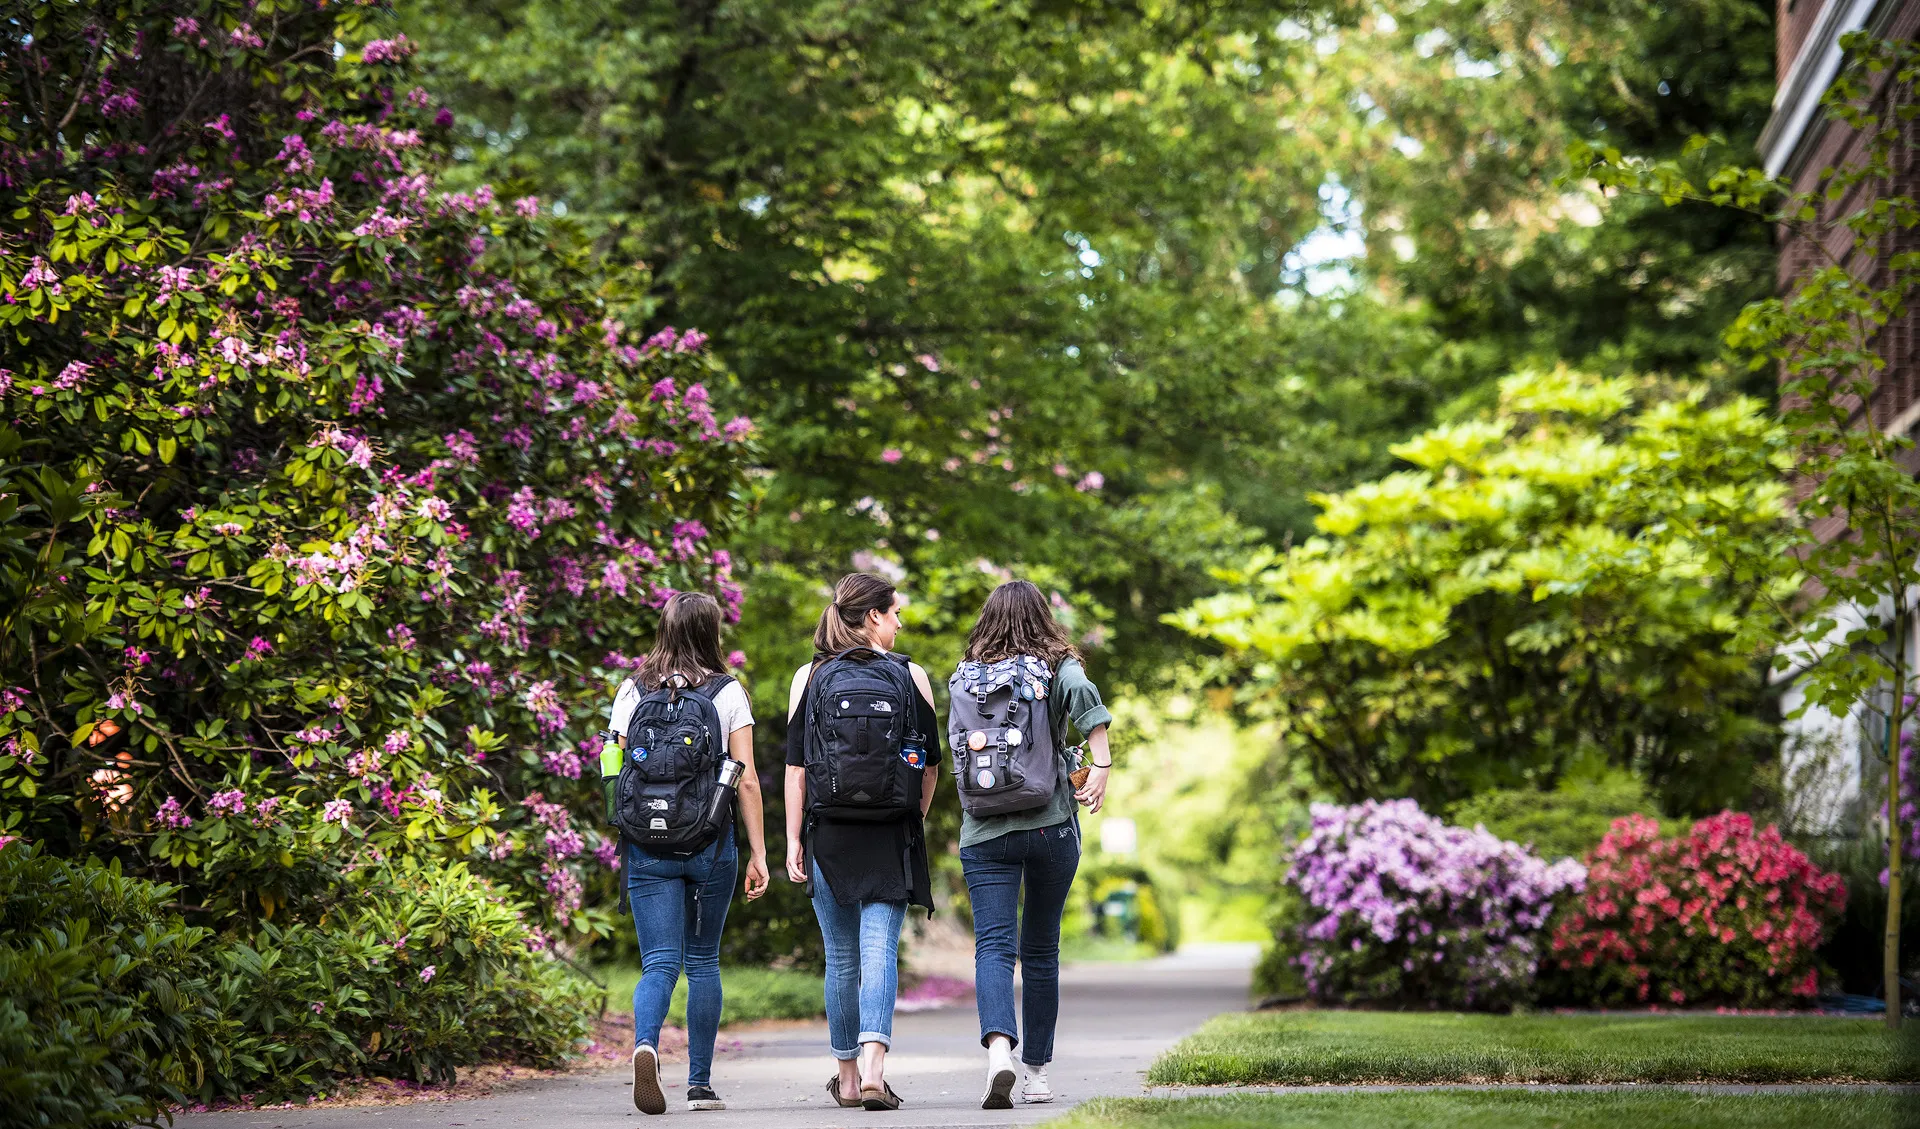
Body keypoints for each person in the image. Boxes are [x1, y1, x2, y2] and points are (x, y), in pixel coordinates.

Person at [605, 592, 770, 1115]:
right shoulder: (727, 693)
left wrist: (627, 824)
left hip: (647, 844)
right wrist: (759, 853)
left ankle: (647, 1046)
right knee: (702, 961)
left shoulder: (632, 690)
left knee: (658, 963)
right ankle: (699, 1084)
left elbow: (612, 765)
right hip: (709, 843)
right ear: (711, 633)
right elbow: (744, 781)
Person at [784, 573, 941, 1112]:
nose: (899, 623)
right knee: (879, 951)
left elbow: (797, 770)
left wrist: (792, 839)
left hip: (828, 830)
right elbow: (930, 767)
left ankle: (848, 1079)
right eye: (894, 612)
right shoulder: (910, 675)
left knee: (841, 958)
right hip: (890, 831)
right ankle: (876, 1068)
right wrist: (911, 820)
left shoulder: (810, 676)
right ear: (872, 616)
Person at [952, 580, 1112, 1108]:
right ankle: (1037, 1072)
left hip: (984, 833)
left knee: (994, 948)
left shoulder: (969, 674)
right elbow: (1085, 698)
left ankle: (999, 1049)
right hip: (1050, 828)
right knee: (1041, 950)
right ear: (1043, 617)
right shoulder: (1057, 665)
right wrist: (1102, 764)